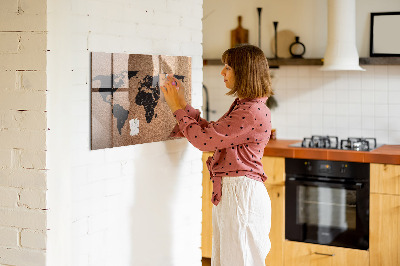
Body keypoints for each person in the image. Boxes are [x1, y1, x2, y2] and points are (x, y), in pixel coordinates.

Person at [161, 44, 273, 266]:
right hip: (236, 193)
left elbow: (204, 141)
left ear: (244, 72)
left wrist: (176, 108)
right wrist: (183, 103)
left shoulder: (250, 111)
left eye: (228, 67)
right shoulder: (246, 106)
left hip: (241, 195)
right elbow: (212, 133)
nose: (222, 72)